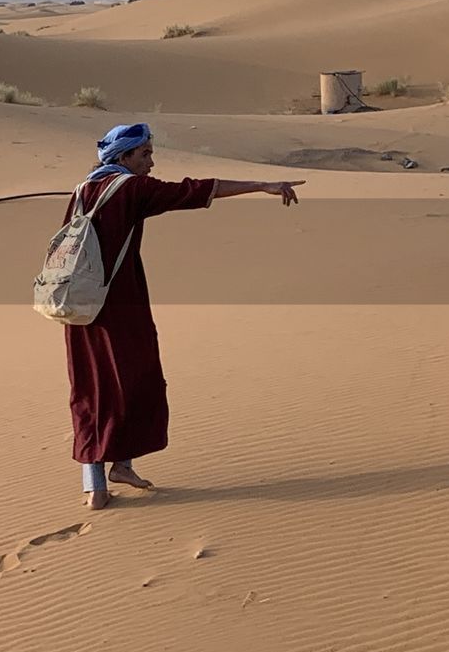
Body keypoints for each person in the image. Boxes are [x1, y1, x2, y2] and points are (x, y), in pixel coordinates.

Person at [64, 122, 304, 509]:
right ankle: (111, 471)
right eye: (145, 155)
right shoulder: (132, 188)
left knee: (92, 387)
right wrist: (261, 185)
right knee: (136, 380)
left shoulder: (83, 189)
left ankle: (100, 479)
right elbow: (195, 190)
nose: (152, 162)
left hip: (78, 306)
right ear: (124, 157)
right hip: (119, 304)